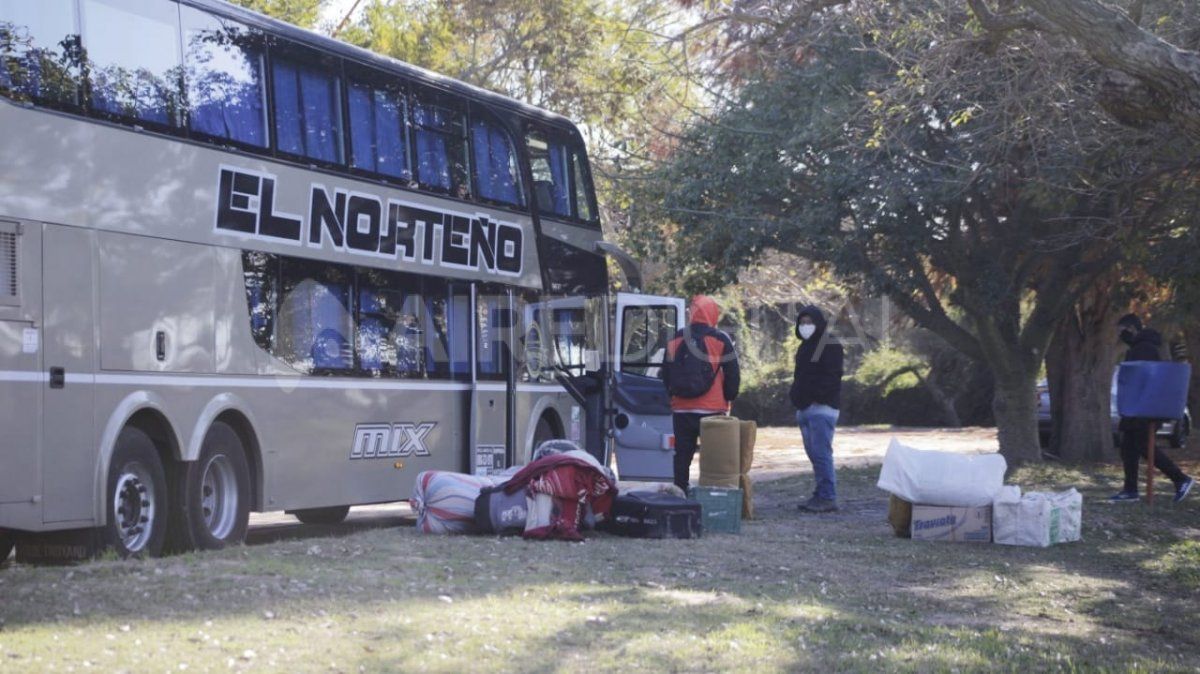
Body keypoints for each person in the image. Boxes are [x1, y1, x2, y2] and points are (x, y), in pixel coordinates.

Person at [1108, 314, 1194, 503]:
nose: (1120, 336)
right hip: (1137, 406)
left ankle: (1180, 479)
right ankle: (1130, 490)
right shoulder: (1140, 347)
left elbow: (1144, 379)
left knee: (1143, 446)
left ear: (1131, 329)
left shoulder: (1144, 348)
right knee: (1128, 447)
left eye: (1122, 331)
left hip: (1143, 408)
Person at [660, 295, 740, 492]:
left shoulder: (676, 338)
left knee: (682, 454)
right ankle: (713, 493)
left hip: (682, 409)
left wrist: (672, 395)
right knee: (714, 456)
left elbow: (666, 372)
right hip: (712, 410)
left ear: (692, 313)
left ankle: (680, 492)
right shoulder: (720, 339)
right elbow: (732, 373)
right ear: (713, 313)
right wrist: (729, 396)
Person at [789, 306, 844, 513]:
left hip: (822, 408)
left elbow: (833, 376)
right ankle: (821, 493)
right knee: (815, 455)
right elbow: (799, 376)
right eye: (802, 323)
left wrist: (815, 396)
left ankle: (828, 496)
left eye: (809, 322)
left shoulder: (830, 344)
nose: (805, 326)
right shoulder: (804, 348)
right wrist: (796, 397)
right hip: (804, 408)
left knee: (821, 454)